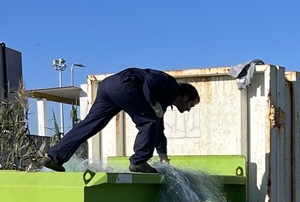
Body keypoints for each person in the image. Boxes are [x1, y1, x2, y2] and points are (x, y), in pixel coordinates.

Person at [40, 68, 200, 174]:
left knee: (91, 124)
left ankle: (53, 157)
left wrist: (163, 156)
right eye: (190, 105)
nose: (188, 109)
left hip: (108, 86)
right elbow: (150, 80)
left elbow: (159, 129)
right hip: (125, 85)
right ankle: (139, 162)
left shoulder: (165, 100)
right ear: (185, 96)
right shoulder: (171, 86)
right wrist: (152, 102)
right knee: (149, 121)